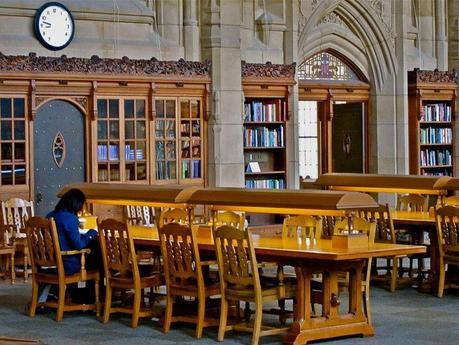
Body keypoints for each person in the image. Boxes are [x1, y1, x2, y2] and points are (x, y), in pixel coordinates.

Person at [45, 188, 100, 304]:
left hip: (52, 262)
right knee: (99, 260)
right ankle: (92, 298)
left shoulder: (50, 215)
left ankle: (77, 295)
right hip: (68, 264)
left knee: (95, 256)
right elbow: (79, 245)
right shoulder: (70, 218)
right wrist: (92, 233)